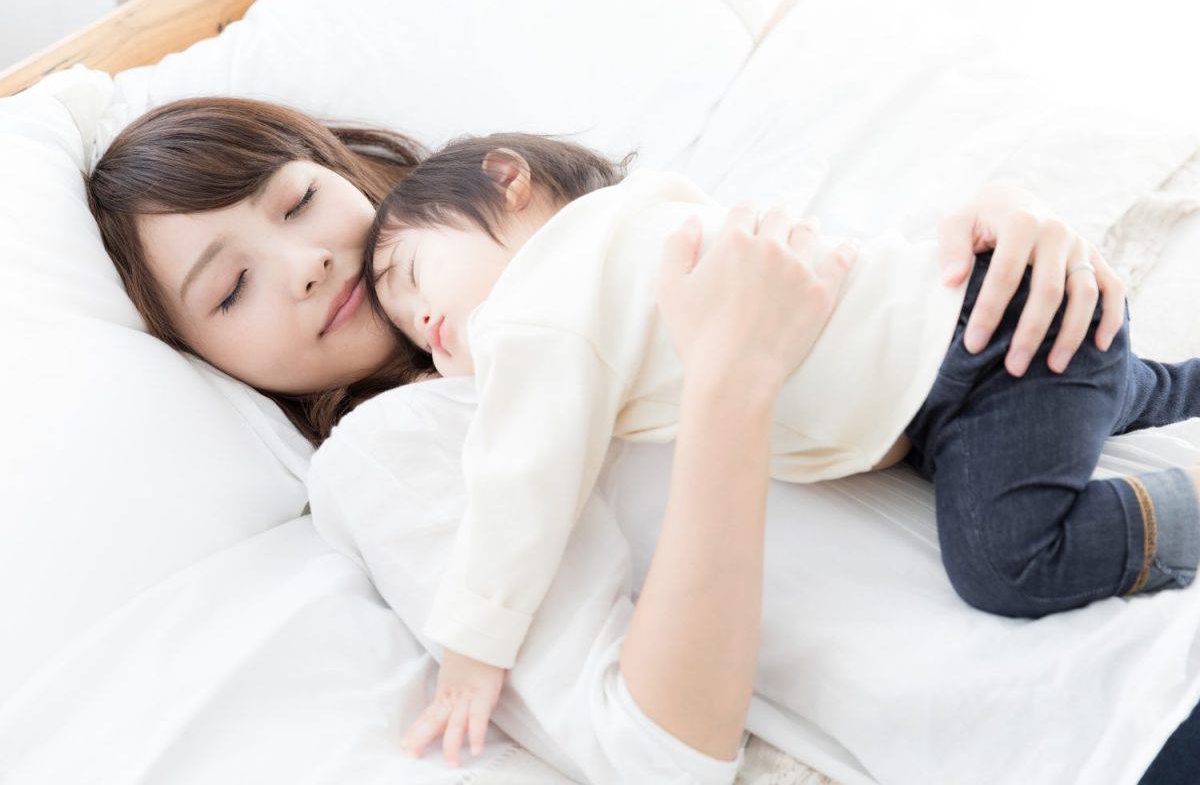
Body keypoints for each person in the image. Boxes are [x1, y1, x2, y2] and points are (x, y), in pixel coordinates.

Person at [87, 97, 1192, 780]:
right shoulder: (394, 452)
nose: (307, 265)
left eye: (295, 204)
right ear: (205, 363)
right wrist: (729, 381)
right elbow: (654, 752)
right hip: (1095, 727)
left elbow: (855, 307)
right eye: (231, 290)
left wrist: (998, 224)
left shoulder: (564, 245)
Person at [357, 130, 1200, 755]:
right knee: (1114, 390)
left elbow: (521, 482)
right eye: (413, 336)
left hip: (969, 362)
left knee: (1006, 557)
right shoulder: (651, 220)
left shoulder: (537, 305)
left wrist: (472, 652)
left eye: (412, 278)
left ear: (507, 180)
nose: (429, 331)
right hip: (961, 358)